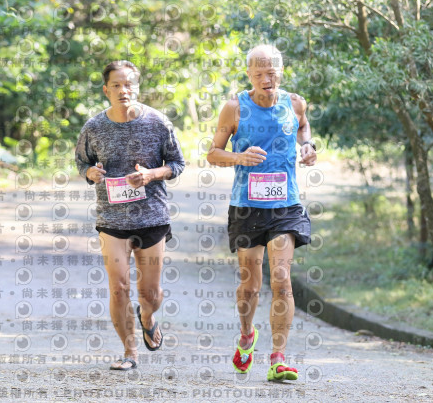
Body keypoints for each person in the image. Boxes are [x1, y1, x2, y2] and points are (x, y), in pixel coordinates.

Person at [206, 44, 317, 381]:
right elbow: (213, 153)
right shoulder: (234, 108)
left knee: (281, 279)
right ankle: (246, 335)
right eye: (259, 74)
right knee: (250, 286)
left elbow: (303, 127)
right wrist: (239, 158)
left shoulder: (294, 103)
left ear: (280, 72)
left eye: (272, 73)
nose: (266, 79)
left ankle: (278, 358)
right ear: (249, 75)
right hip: (247, 206)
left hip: (286, 205)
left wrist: (308, 146)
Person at [75, 60, 185, 371]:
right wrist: (90, 173)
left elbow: (177, 164)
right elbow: (82, 163)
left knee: (150, 294)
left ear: (137, 87)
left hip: (151, 217)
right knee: (119, 287)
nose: (124, 90)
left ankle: (147, 316)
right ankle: (129, 351)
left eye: (129, 84)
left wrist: (151, 175)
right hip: (112, 220)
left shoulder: (158, 122)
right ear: (106, 90)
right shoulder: (93, 127)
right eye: (117, 85)